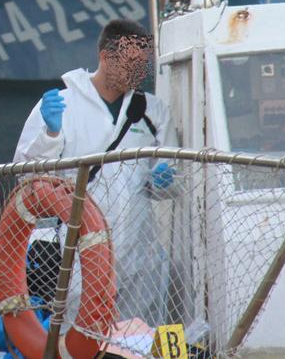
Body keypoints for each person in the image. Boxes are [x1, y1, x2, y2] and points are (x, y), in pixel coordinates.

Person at [13, 19, 174, 325]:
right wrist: (49, 134)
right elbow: (27, 176)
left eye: (142, 64)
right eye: (129, 62)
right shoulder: (63, 104)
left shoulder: (153, 111)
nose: (137, 72)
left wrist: (166, 179)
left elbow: (172, 183)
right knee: (79, 334)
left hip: (141, 251)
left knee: (139, 336)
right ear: (105, 57)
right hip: (79, 251)